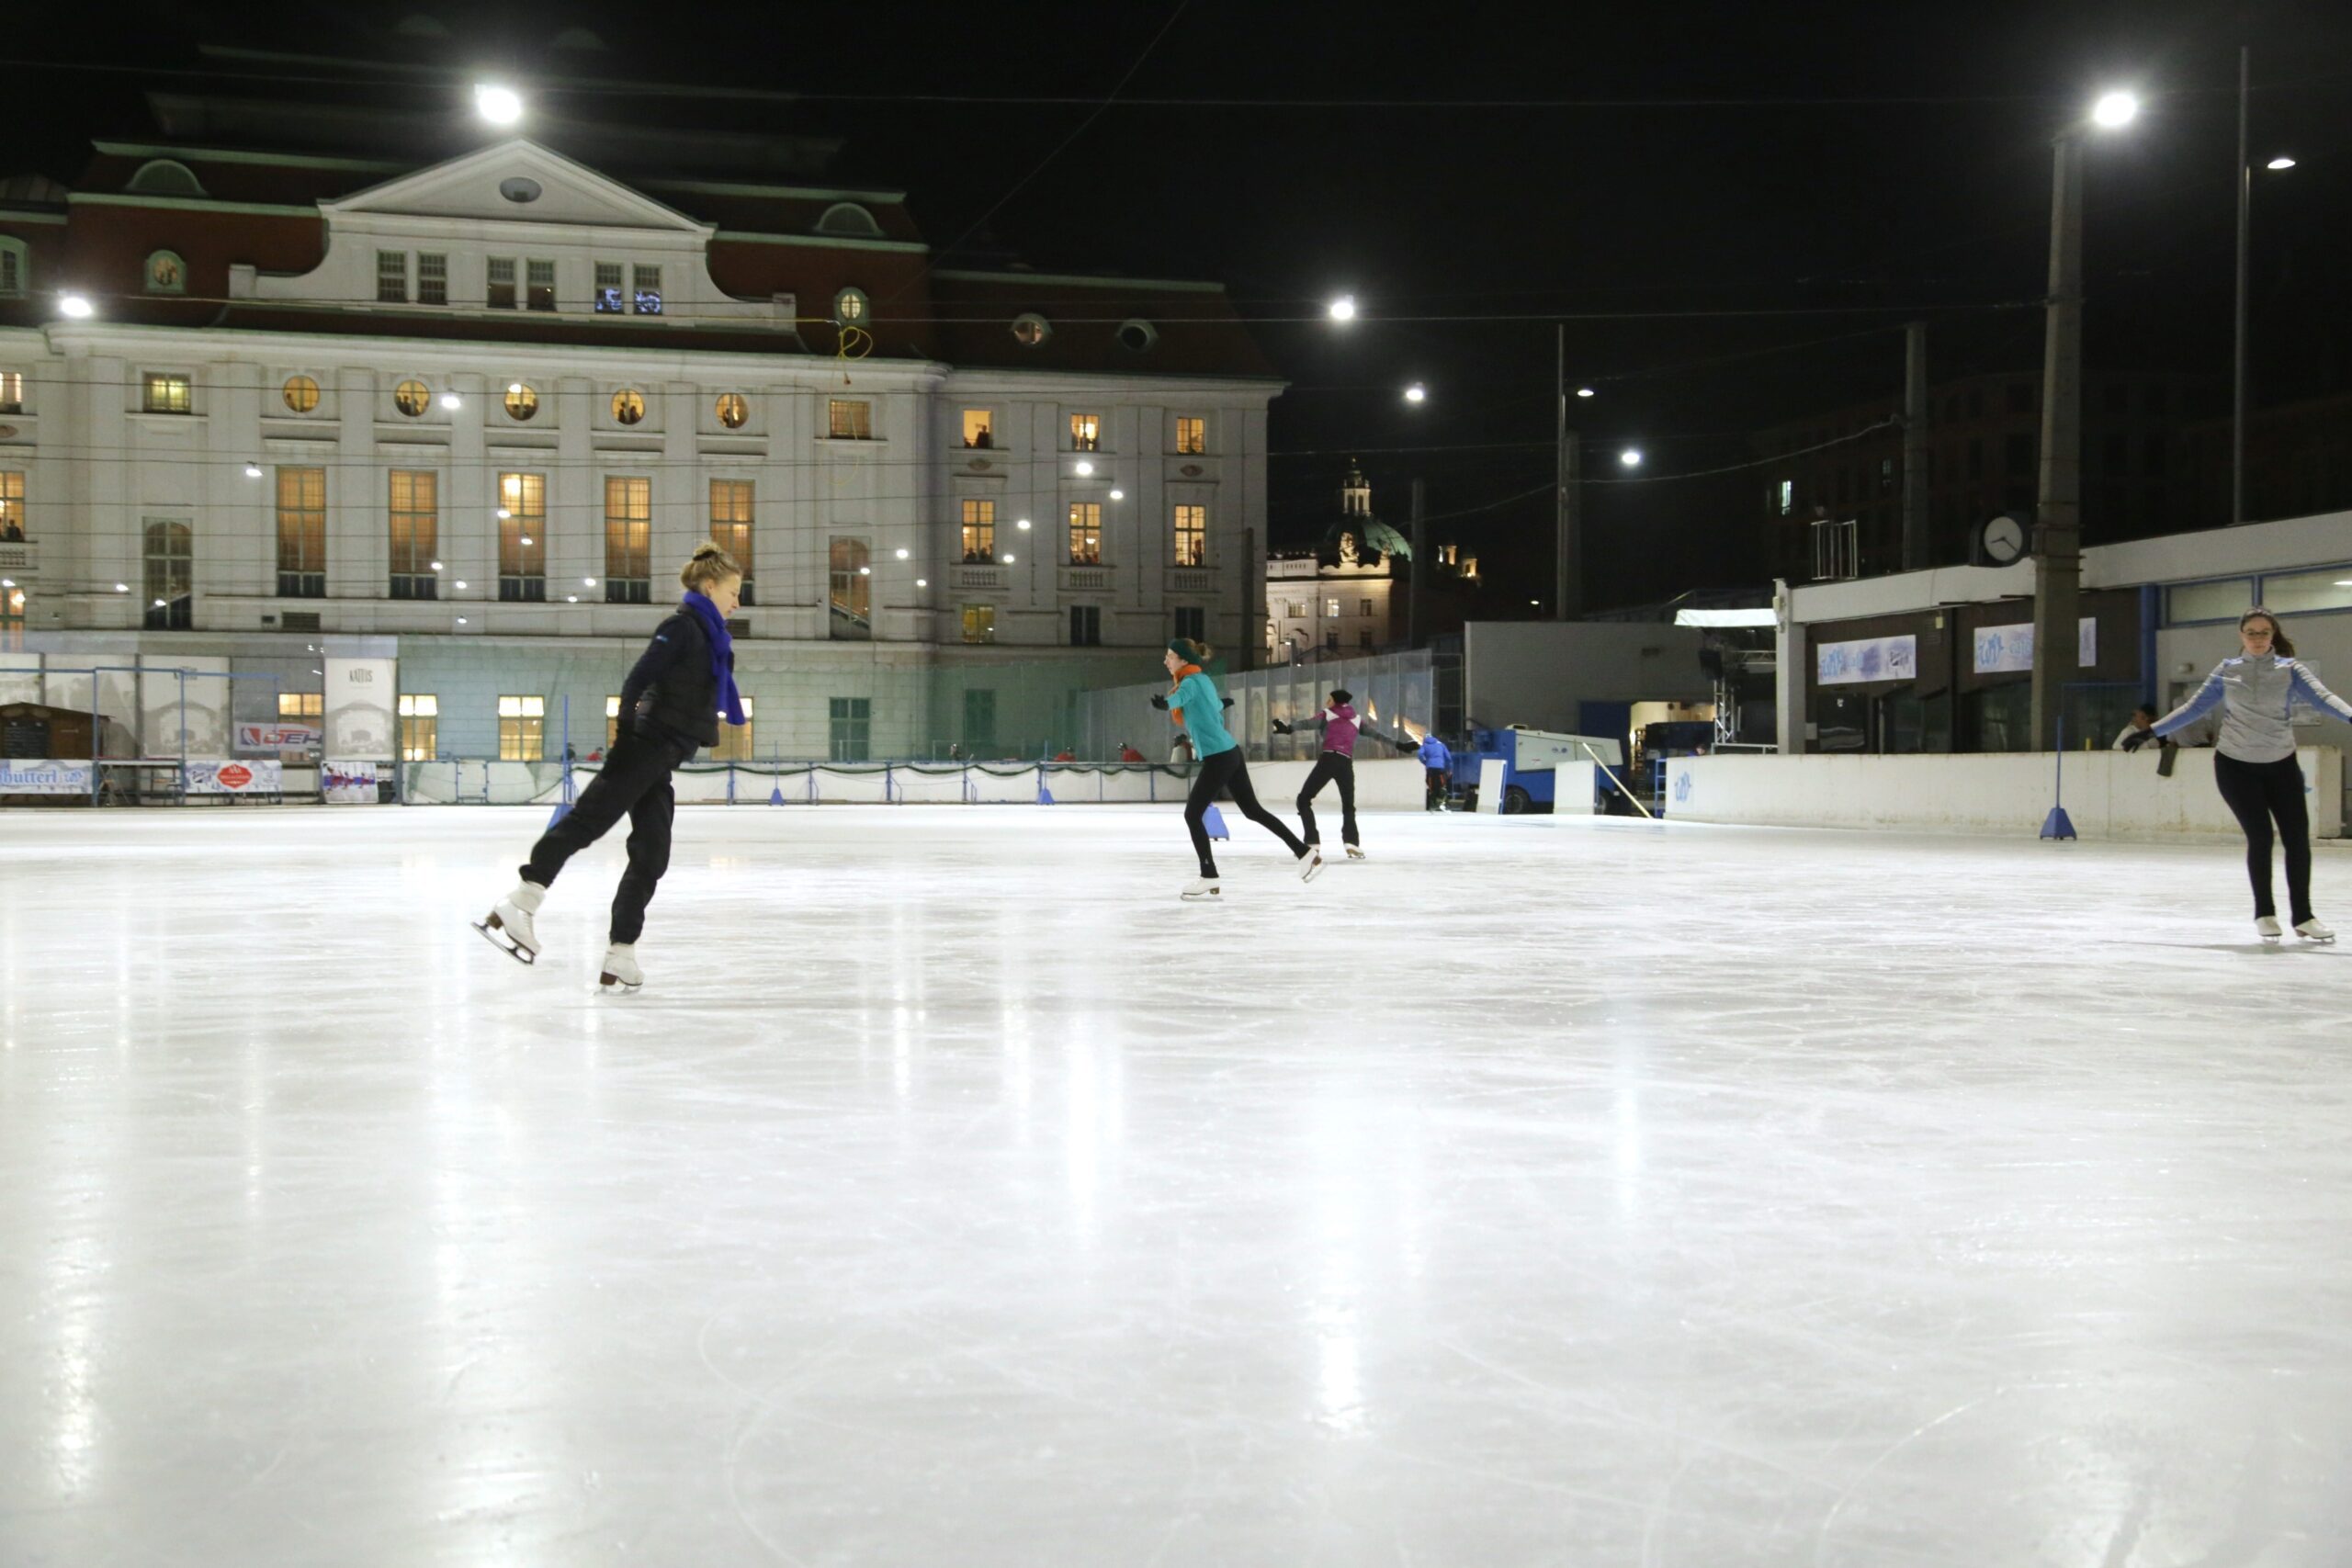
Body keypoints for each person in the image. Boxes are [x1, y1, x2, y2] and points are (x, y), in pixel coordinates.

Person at [477, 542, 748, 989]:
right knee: (587, 822)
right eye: (733, 592)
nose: (737, 602)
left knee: (652, 854)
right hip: (646, 746)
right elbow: (638, 678)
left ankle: (621, 952)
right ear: (709, 586)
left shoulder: (710, 637)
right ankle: (520, 902)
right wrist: (625, 737)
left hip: (663, 755)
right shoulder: (682, 627)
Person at [2126, 607, 2352, 942]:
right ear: (2241, 635)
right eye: (2251, 633)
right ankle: (2265, 913)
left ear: (2273, 634)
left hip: (2281, 764)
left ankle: (2304, 916)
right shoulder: (2227, 671)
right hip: (2236, 766)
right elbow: (2194, 707)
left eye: (2264, 632)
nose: (2258, 639)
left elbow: (2323, 698)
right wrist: (2151, 731)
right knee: (2261, 837)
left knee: (2296, 840)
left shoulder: (2291, 670)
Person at [1151, 637, 1319, 898]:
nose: (1166, 661)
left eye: (1170, 656)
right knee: (1253, 810)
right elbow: (1212, 704)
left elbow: (1181, 698)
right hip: (1231, 752)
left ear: (1183, 660)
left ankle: (1209, 875)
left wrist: (1166, 704)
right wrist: (1223, 704)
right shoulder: (1202, 679)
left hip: (1219, 757)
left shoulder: (1189, 683)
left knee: (1192, 815)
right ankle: (1304, 852)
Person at [1272, 687, 1379, 860]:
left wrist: (1288, 728)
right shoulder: (1356, 719)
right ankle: (1352, 843)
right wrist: (1399, 745)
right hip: (1346, 763)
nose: (1326, 702)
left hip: (1329, 760)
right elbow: (1377, 735)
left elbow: (1307, 723)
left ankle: (1312, 842)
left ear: (1335, 701)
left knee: (1303, 799)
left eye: (1329, 699)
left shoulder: (1328, 714)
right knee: (1348, 805)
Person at [1417, 731, 1453, 811]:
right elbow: (1448, 757)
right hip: (1440, 768)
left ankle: (1432, 804)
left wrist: (1425, 762)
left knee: (1431, 784)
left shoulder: (1424, 745)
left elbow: (1420, 754)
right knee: (1442, 784)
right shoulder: (1441, 745)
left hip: (1430, 768)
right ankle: (1445, 803)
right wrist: (1450, 768)